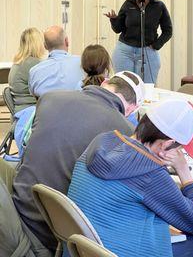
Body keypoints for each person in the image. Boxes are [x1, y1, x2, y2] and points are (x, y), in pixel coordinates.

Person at [0, 71, 145, 255]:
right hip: (51, 235)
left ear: (105, 82)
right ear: (133, 108)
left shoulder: (50, 98)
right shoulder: (124, 132)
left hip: (18, 206)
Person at [67, 99, 193, 257]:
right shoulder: (150, 173)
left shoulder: (102, 140)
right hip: (116, 251)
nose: (180, 154)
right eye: (180, 149)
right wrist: (183, 170)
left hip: (81, 248)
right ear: (166, 145)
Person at [105, 0, 172, 84]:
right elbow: (118, 29)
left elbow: (168, 31)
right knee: (124, 86)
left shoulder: (159, 6)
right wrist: (113, 20)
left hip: (147, 52)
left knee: (147, 87)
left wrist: (156, 45)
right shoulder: (128, 4)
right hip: (124, 51)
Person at [29, 25, 84, 97]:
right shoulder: (83, 63)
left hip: (47, 108)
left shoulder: (34, 72)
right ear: (67, 41)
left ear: (45, 46)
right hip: (77, 107)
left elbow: (34, 97)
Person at [8, 27, 46, 113]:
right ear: (37, 44)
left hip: (20, 110)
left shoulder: (18, 62)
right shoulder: (33, 63)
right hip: (32, 111)